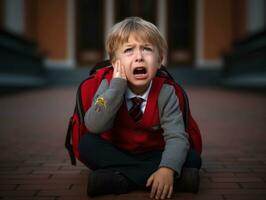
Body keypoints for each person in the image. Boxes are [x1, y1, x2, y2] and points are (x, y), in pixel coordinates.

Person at [78, 16, 201, 199]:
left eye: (147, 49)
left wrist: (167, 168)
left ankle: (120, 180)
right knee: (87, 144)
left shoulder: (166, 92)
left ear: (159, 61)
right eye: (128, 50)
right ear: (114, 63)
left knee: (192, 158)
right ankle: (168, 179)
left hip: (154, 153)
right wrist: (116, 89)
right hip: (117, 152)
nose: (139, 57)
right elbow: (94, 125)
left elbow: (176, 136)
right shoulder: (107, 86)